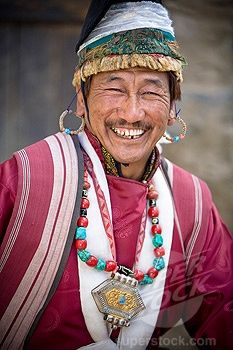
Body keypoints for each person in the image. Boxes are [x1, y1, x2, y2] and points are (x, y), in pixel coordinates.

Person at [0, 1, 232, 349]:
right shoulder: (23, 181)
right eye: (114, 87)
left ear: (172, 107)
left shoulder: (191, 203)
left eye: (152, 91)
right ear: (81, 98)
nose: (132, 113)